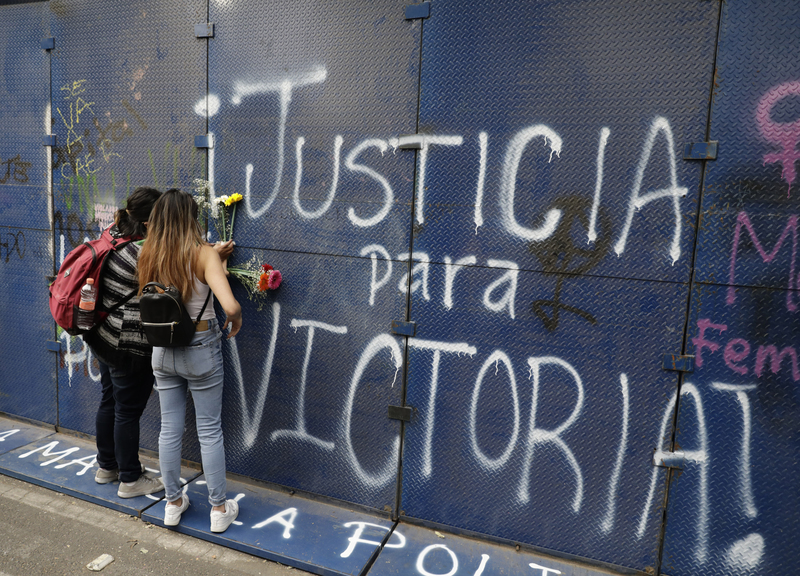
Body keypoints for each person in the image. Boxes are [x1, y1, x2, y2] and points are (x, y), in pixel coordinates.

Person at [137, 189, 242, 532]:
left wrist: (217, 261)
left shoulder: (148, 254)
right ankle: (218, 509)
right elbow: (229, 306)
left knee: (170, 428)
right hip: (201, 348)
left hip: (162, 350)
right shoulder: (203, 254)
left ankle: (172, 503)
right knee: (209, 430)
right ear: (190, 219)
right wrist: (235, 315)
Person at [84, 187, 166, 498]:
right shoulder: (141, 253)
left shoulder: (112, 234)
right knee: (127, 411)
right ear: (148, 223)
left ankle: (107, 466)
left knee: (110, 401)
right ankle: (130, 479)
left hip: (102, 336)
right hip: (125, 345)